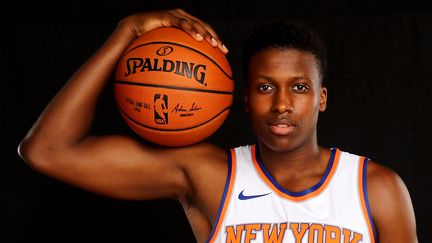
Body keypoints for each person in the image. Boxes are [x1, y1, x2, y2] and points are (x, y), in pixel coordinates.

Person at [17, 8, 417, 243]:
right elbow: (47, 151)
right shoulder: (209, 175)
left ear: (321, 98)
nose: (281, 104)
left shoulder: (375, 188)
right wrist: (127, 32)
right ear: (243, 98)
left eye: (298, 87)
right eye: (265, 87)